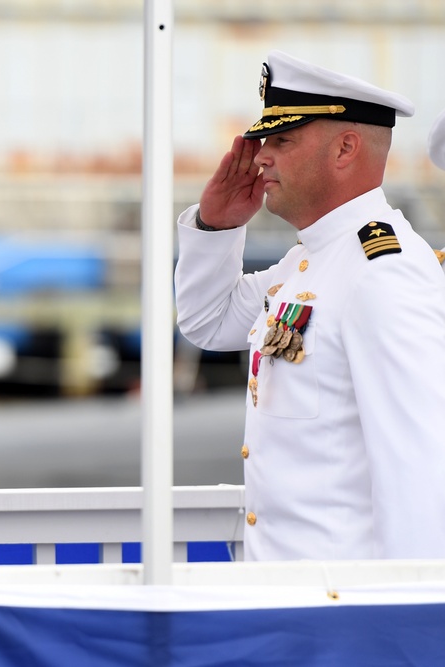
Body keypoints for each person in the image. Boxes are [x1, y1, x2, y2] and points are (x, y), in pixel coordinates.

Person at [174, 50, 445, 561]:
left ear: (345, 149)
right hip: (292, 603)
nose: (259, 158)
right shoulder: (312, 260)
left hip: (340, 614)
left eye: (281, 140)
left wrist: (410, 622)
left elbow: (419, 468)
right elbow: (208, 323)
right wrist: (217, 226)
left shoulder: (382, 271)